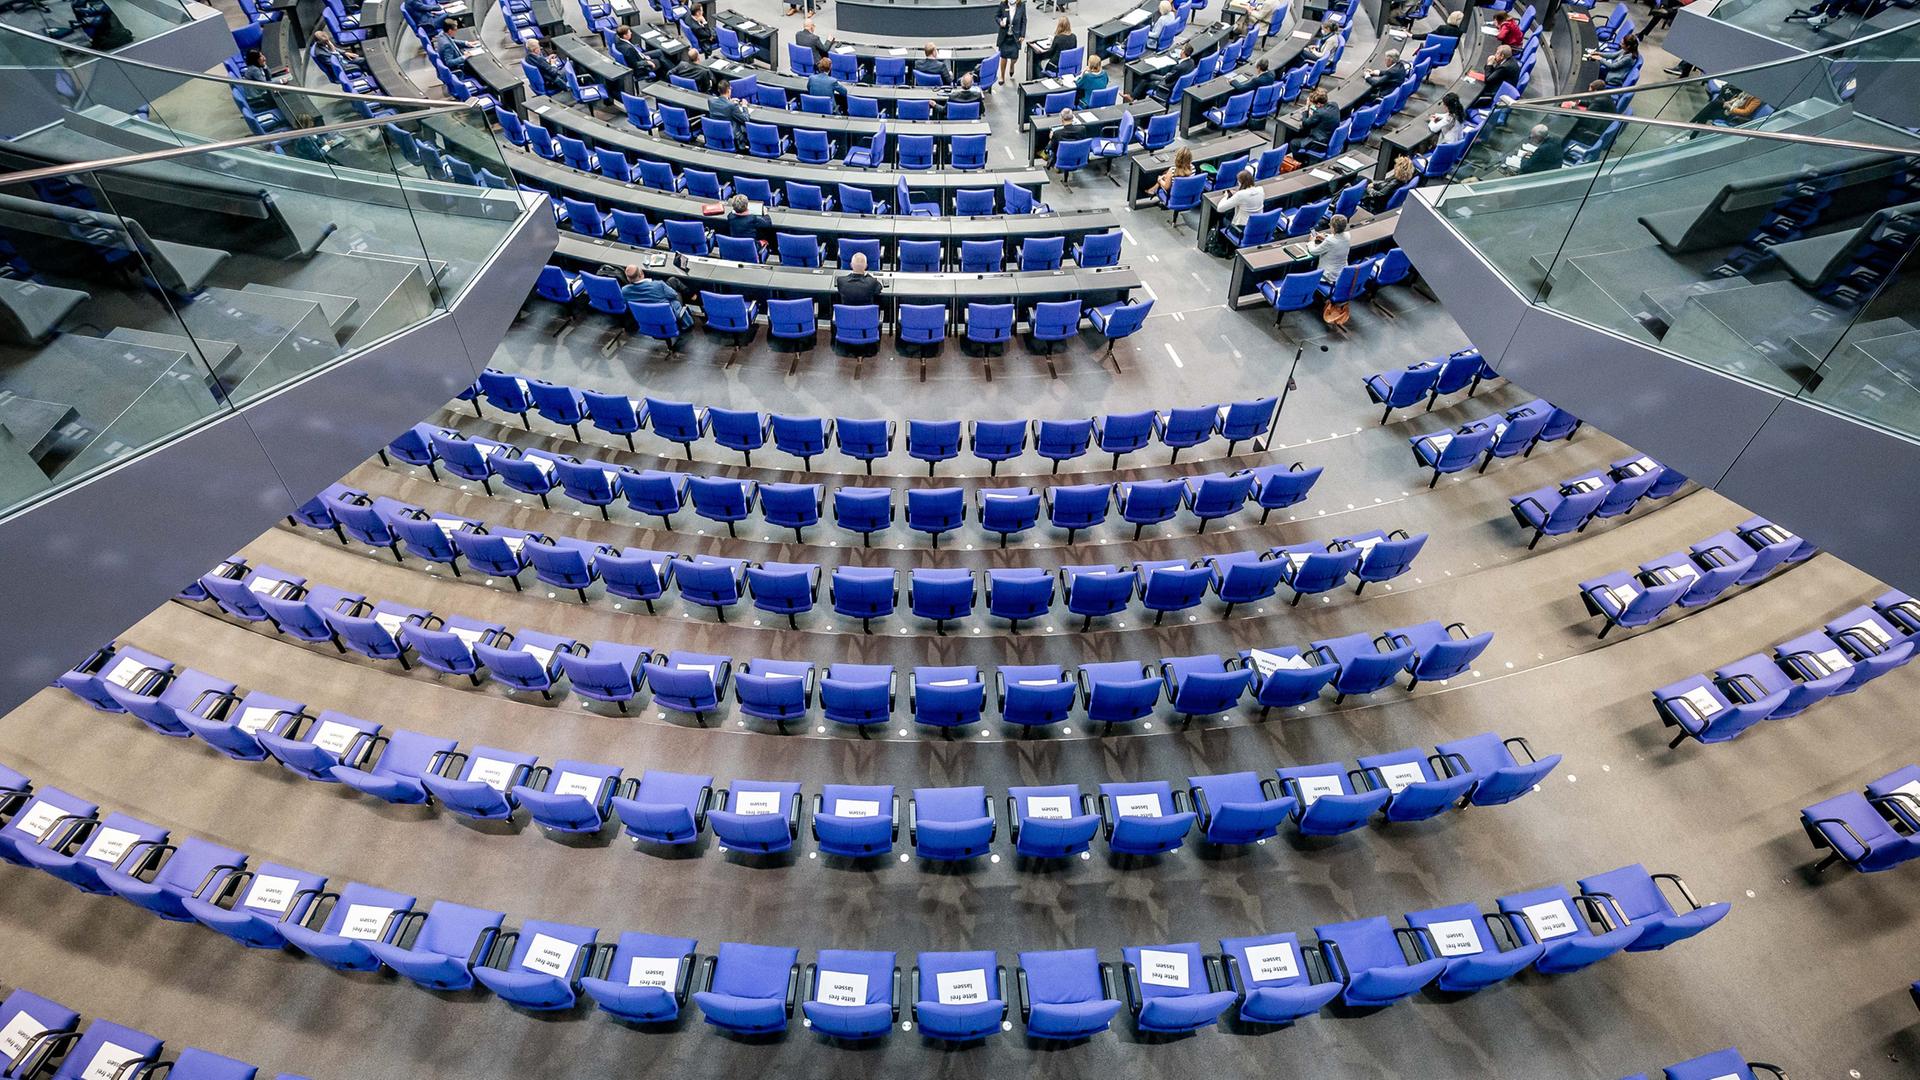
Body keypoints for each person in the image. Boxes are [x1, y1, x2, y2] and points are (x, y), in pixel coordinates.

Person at [619, 264, 693, 329]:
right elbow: (673, 295)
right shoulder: (658, 285)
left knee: (672, 281)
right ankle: (690, 304)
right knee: (676, 293)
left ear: (628, 278)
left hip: (646, 318)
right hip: (667, 317)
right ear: (641, 274)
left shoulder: (625, 291)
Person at [1213, 168, 1266, 248]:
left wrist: (1226, 196)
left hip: (1241, 230)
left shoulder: (1240, 195)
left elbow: (1220, 208)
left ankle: (1224, 247)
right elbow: (1249, 197)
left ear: (1241, 183)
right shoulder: (1260, 190)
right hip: (1257, 227)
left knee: (1223, 218)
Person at [1307, 213, 1351, 286]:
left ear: (1333, 227)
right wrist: (1324, 237)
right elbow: (1337, 239)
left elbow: (1313, 252)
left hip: (1328, 277)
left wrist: (1311, 241)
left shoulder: (1330, 241)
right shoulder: (1347, 235)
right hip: (1341, 273)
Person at [706, 76, 751, 143]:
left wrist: (729, 101)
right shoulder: (732, 106)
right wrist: (744, 106)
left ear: (718, 90)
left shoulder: (711, 101)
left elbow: (722, 106)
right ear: (729, 90)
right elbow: (745, 119)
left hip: (717, 132)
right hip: (732, 135)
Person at [1299, 88, 1340, 152]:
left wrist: (1306, 109)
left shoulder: (1319, 113)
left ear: (1318, 104)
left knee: (1293, 143)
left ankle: (1303, 160)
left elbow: (1305, 123)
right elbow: (1323, 112)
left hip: (1320, 142)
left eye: (1314, 104)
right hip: (1331, 137)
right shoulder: (1334, 104)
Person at [997, 0, 1028, 72]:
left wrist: (1022, 35)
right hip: (1004, 35)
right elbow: (997, 16)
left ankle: (1012, 65)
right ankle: (1002, 76)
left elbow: (1024, 21)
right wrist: (1000, 21)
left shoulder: (1022, 5)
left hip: (1015, 36)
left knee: (1014, 58)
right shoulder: (1003, 4)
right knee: (1003, 57)